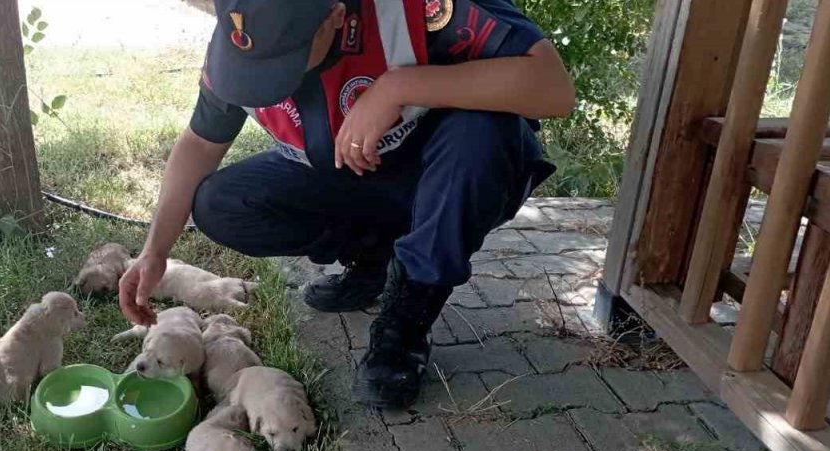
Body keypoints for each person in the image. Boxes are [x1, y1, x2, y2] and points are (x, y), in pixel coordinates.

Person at [119, 0, 574, 409]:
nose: (267, 80)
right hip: (351, 172)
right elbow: (201, 142)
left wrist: (399, 87)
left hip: (446, 173)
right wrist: (155, 250)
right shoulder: (244, 36)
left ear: (335, 16)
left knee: (483, 134)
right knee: (220, 202)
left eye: (284, 63)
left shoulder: (416, 9)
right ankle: (376, 259)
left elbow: (553, 88)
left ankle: (404, 326)